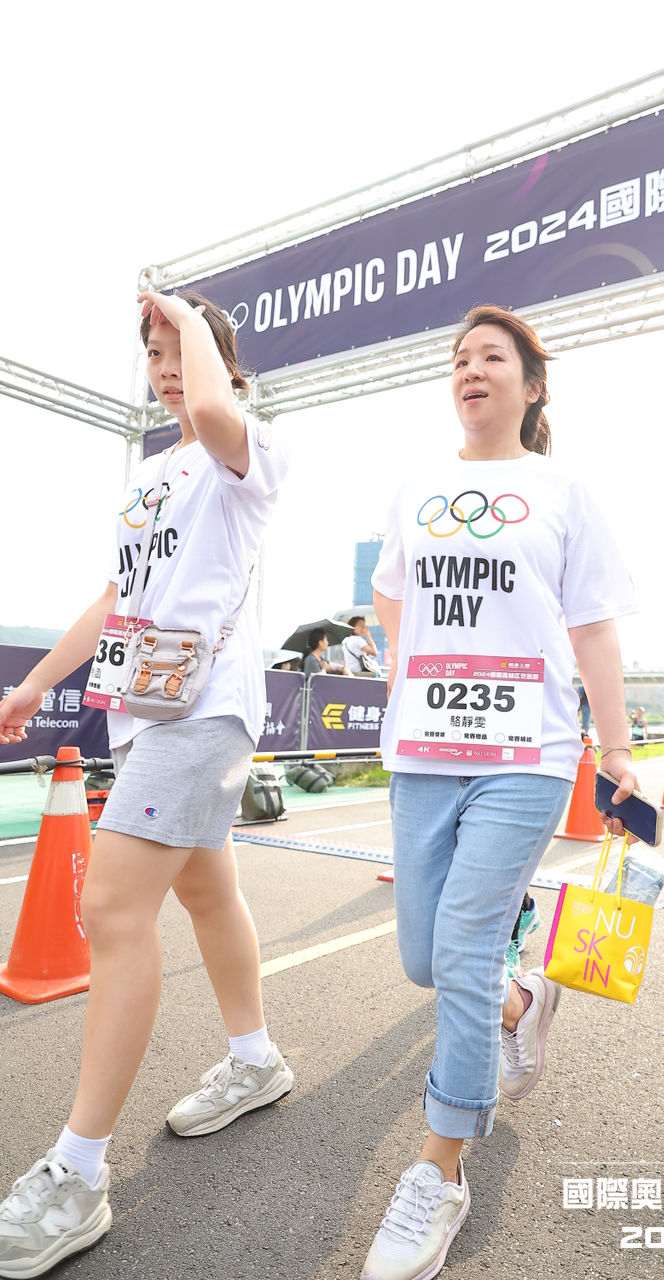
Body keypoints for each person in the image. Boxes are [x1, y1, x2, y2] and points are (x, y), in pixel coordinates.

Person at [0, 289, 293, 1277]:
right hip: (147, 712)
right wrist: (37, 683)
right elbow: (119, 593)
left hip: (206, 713)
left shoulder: (247, 446)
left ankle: (79, 1174)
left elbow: (210, 407)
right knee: (209, 892)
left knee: (112, 909)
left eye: (181, 348)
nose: (166, 367)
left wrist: (190, 317)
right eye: (153, 352)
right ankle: (255, 1060)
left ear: (220, 357)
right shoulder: (152, 475)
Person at [365, 303, 639, 1280]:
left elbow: (593, 623)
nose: (470, 369)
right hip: (422, 749)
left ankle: (438, 1173)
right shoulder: (419, 487)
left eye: (490, 356)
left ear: (530, 384)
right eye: (459, 358)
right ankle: (521, 998)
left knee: (461, 943)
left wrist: (617, 747)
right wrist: (404, 659)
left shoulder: (563, 490)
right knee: (426, 959)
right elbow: (388, 590)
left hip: (526, 752)